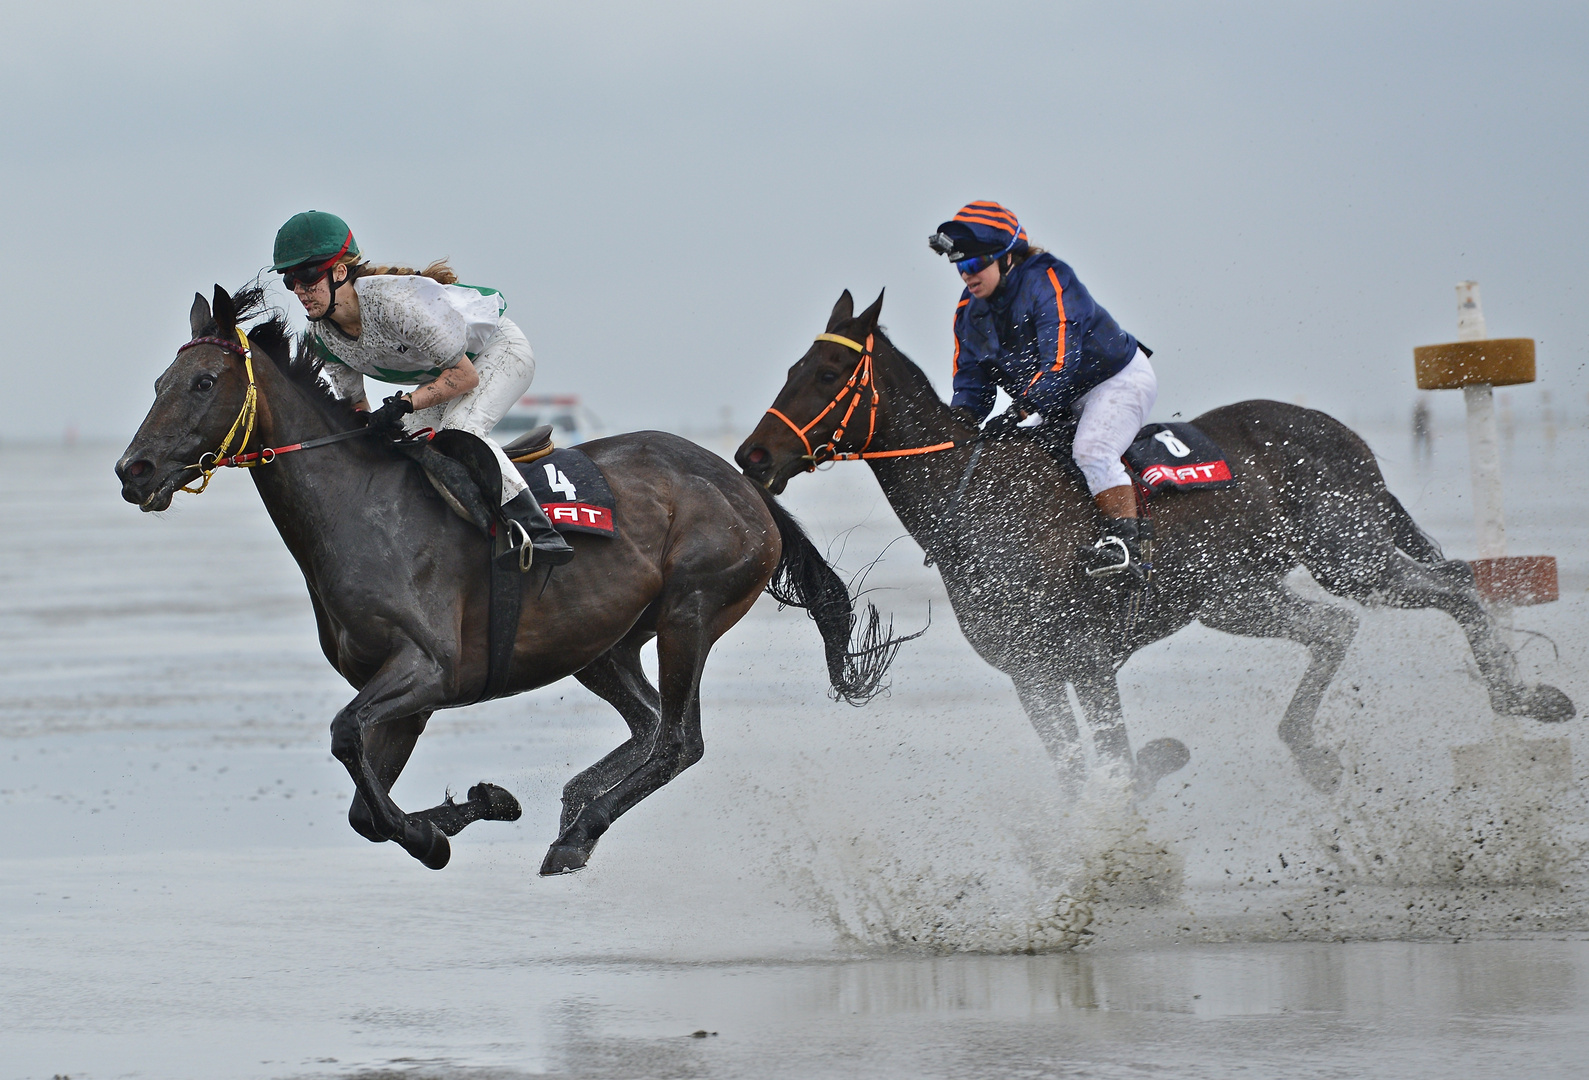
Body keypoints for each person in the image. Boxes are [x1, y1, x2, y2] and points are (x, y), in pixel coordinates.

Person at [271, 211, 573, 568]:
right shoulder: (322, 338)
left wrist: (405, 403)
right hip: (449, 374)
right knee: (401, 450)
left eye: (307, 276)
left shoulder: (394, 306)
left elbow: (465, 378)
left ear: (340, 271)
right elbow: (356, 406)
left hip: (497, 353)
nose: (300, 291)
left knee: (460, 430)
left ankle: (541, 534)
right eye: (290, 280)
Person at [929, 200, 1157, 580]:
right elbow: (972, 379)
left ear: (1006, 258)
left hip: (1115, 380)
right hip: (1057, 401)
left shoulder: (1048, 279)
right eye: (960, 267)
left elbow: (1059, 364)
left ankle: (1126, 549)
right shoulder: (969, 313)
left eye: (973, 265)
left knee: (1092, 450)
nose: (966, 276)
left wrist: (1019, 411)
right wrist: (962, 421)